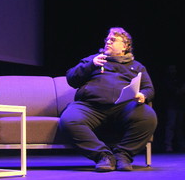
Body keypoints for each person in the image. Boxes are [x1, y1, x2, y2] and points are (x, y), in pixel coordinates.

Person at [59, 27, 157, 172]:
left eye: (113, 40)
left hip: (124, 108)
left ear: (125, 46)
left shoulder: (137, 66)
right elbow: (71, 78)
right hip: (90, 107)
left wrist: (143, 96)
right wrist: (91, 64)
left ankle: (123, 155)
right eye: (107, 39)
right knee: (69, 119)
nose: (108, 42)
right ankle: (103, 156)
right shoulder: (95, 60)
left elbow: (149, 89)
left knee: (148, 117)